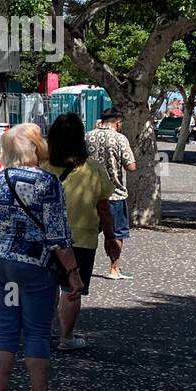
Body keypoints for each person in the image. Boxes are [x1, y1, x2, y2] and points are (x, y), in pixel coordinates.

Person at [0, 122, 81, 391]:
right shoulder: (47, 182)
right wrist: (72, 273)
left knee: (5, 324)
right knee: (36, 330)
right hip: (32, 263)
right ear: (36, 148)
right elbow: (57, 234)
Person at [42, 113, 121, 350]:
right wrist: (110, 237)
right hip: (82, 238)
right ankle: (66, 337)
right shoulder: (93, 169)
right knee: (72, 289)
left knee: (47, 287)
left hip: (46, 239)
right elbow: (104, 208)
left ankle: (43, 334)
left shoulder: (43, 168)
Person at [86, 107, 136, 279]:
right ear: (118, 122)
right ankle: (114, 268)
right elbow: (131, 166)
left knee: (89, 231)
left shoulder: (88, 136)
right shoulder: (120, 138)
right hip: (114, 193)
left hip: (90, 192)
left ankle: (80, 265)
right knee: (116, 233)